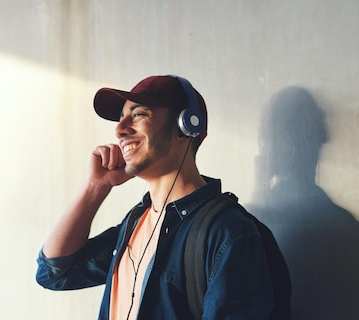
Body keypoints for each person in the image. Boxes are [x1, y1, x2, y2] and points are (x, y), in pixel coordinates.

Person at [36, 75, 285, 319]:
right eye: (121, 118)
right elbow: (54, 273)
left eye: (138, 114)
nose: (119, 130)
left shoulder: (228, 233)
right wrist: (95, 186)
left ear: (184, 126)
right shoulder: (136, 222)